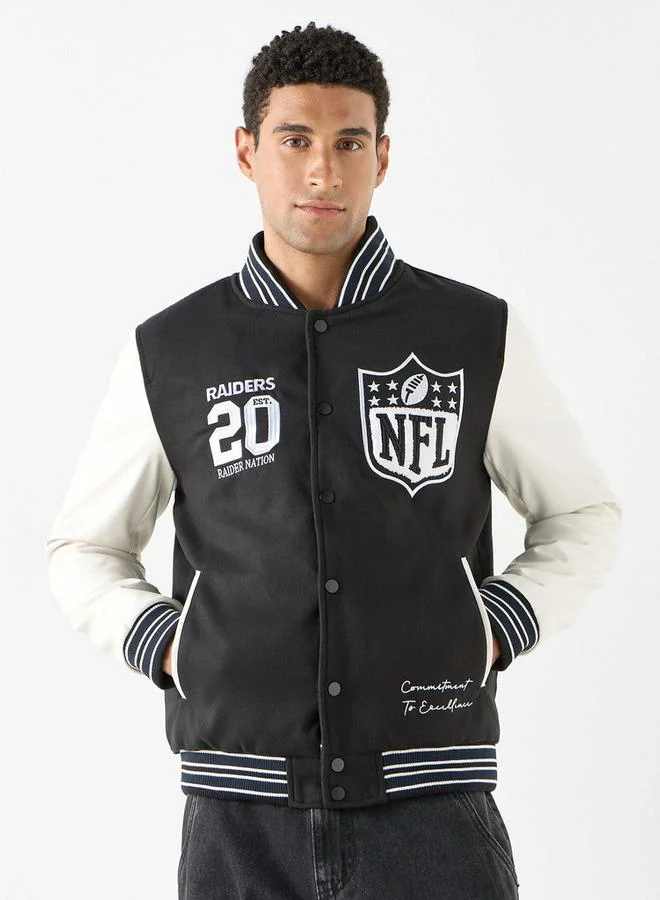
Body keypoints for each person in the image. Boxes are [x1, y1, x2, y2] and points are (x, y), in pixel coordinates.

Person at [45, 21, 622, 900]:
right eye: (295, 140)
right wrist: (170, 643)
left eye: (350, 142)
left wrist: (495, 625)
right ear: (247, 152)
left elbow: (582, 514)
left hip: (433, 804)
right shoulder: (174, 349)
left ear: (382, 157)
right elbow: (83, 547)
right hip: (239, 816)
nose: (323, 170)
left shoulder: (472, 334)